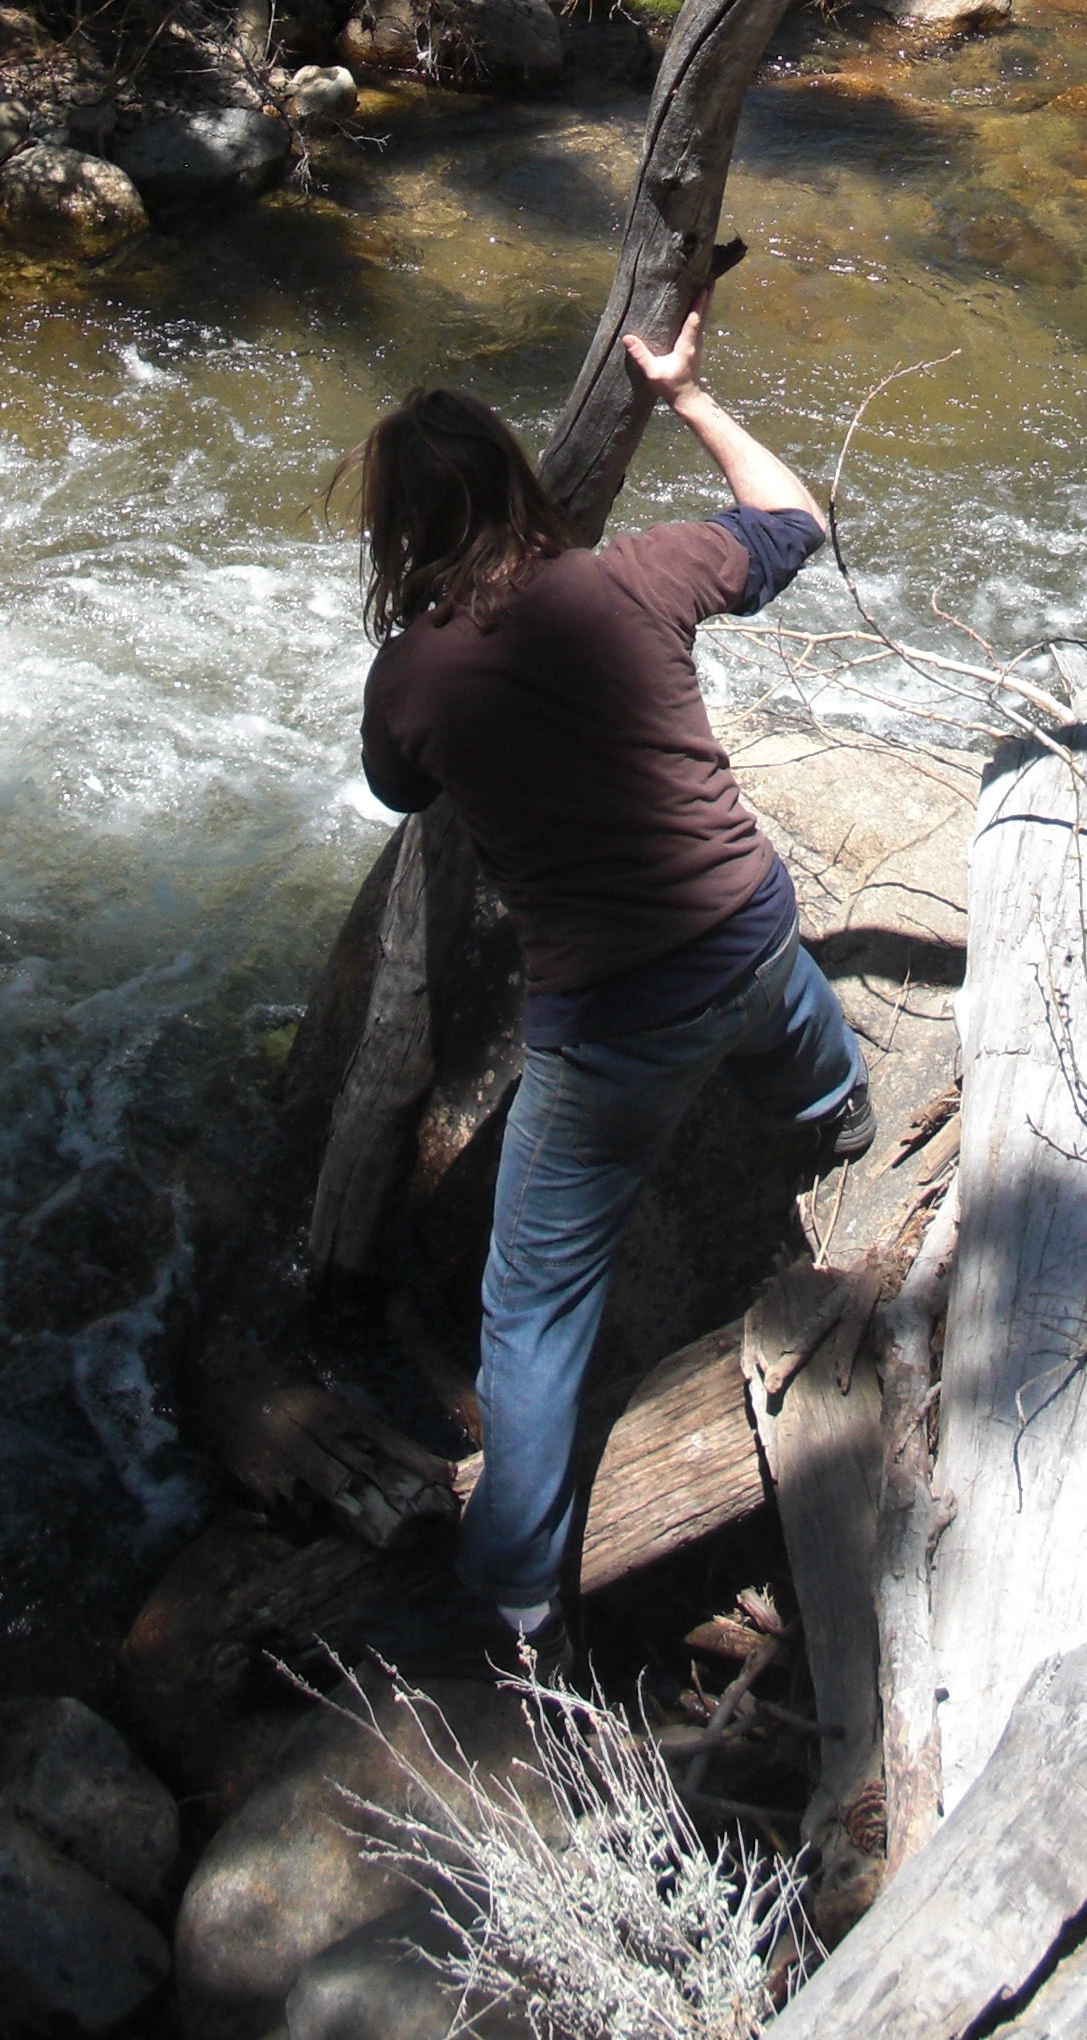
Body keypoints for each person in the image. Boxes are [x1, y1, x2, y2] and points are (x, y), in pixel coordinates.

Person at [354, 304, 873, 1665]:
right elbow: (794, 519)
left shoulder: (411, 677)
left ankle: (515, 1598)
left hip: (614, 1024)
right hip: (748, 934)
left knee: (530, 1312)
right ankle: (838, 1112)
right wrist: (689, 397)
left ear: (398, 534)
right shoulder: (637, 576)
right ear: (519, 485)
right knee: (780, 1006)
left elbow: (397, 788)